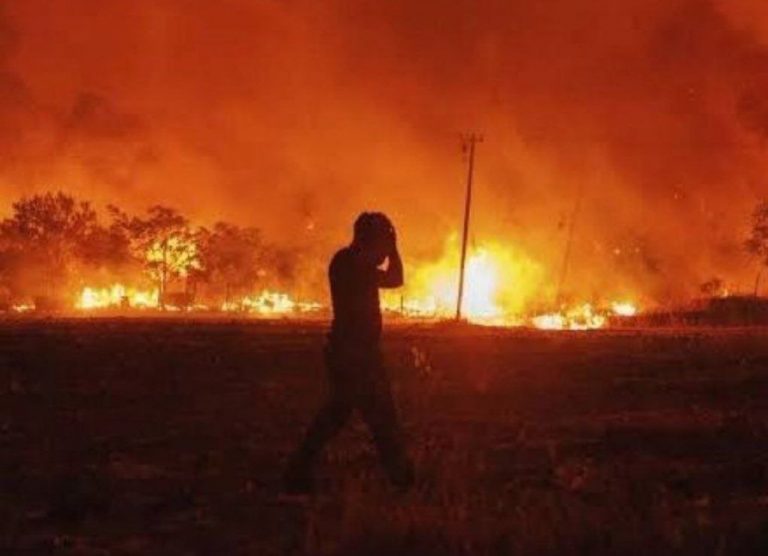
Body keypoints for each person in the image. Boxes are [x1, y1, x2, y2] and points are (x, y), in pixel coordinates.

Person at [284, 212, 414, 494]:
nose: (383, 253)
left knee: (348, 414)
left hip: (358, 352)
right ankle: (400, 477)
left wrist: (390, 247)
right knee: (376, 415)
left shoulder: (351, 262)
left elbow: (394, 279)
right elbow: (395, 278)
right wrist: (393, 248)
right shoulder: (350, 263)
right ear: (369, 240)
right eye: (381, 243)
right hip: (353, 354)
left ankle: (299, 469)